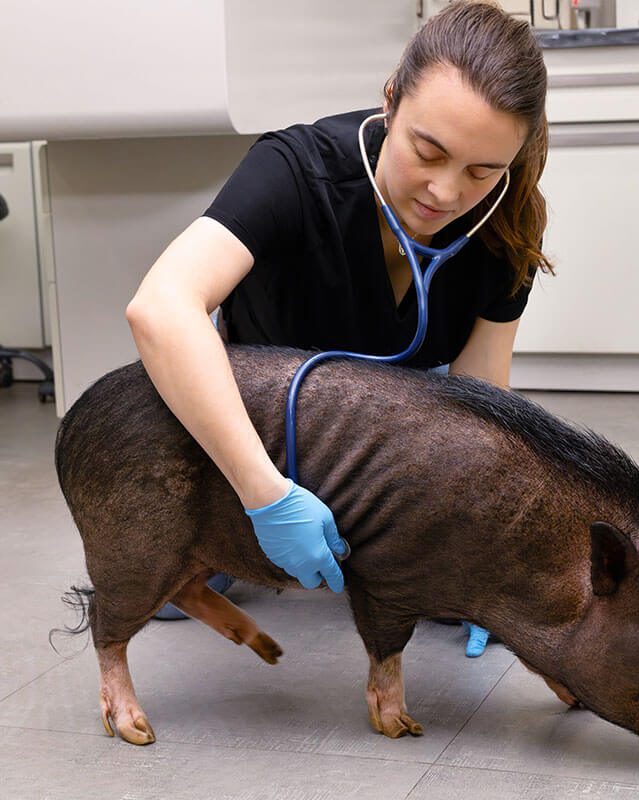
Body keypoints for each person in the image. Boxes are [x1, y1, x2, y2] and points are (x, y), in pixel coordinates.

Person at [126, 1, 552, 655]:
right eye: (427, 151)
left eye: (480, 171)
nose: (443, 192)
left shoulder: (506, 223)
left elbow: (481, 398)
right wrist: (264, 496)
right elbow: (161, 306)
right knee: (166, 594)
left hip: (394, 437)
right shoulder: (295, 169)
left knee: (454, 580)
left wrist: (482, 546)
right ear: (390, 103)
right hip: (266, 422)